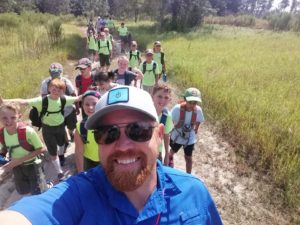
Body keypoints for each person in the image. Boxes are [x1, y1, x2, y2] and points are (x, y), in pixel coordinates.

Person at [0, 86, 223, 225]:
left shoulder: (194, 192)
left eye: (139, 130)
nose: (123, 145)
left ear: (159, 134)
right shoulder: (78, 195)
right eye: (108, 133)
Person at [2, 79, 82, 182]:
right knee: (53, 151)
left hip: (61, 127)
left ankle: (61, 155)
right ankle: (60, 172)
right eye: (54, 89)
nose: (56, 92)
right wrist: (5, 101)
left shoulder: (63, 99)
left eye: (59, 90)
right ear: (49, 89)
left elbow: (77, 98)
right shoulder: (42, 100)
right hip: (48, 129)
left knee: (62, 144)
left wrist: (89, 93)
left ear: (63, 91)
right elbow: (23, 101)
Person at [0, 103, 48, 195]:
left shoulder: (27, 131)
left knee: (38, 192)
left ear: (19, 116)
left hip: (32, 166)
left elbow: (42, 149)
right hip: (16, 167)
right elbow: (4, 148)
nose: (8, 121)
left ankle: (46, 187)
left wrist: (19, 161)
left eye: (13, 117)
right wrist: (2, 158)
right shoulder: (2, 133)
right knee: (23, 190)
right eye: (4, 118)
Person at [40, 63, 78, 164]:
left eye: (57, 72)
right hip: (54, 112)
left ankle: (71, 134)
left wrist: (77, 107)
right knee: (61, 129)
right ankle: (64, 145)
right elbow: (43, 97)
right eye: (53, 72)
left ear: (61, 72)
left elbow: (74, 94)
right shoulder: (46, 82)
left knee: (71, 126)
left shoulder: (66, 81)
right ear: (49, 72)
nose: (55, 74)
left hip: (68, 109)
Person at [169, 87, 204, 174]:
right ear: (185, 99)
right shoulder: (177, 109)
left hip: (190, 138)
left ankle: (189, 175)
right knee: (172, 152)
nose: (192, 105)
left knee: (188, 157)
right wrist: (170, 129)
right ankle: (170, 161)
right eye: (190, 102)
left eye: (195, 103)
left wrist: (196, 129)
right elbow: (169, 120)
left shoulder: (198, 110)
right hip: (177, 136)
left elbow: (199, 120)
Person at [74, 90, 101, 173]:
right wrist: (81, 174)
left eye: (94, 104)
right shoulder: (80, 126)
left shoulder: (109, 124)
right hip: (88, 162)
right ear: (82, 106)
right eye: (87, 104)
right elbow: (79, 152)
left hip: (106, 161)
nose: (90, 107)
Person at [152, 83, 173, 165]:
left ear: (169, 100)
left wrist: (166, 155)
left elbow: (166, 135)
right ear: (152, 96)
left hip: (157, 151)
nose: (162, 100)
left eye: (166, 97)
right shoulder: (145, 111)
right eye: (159, 96)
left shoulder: (167, 116)